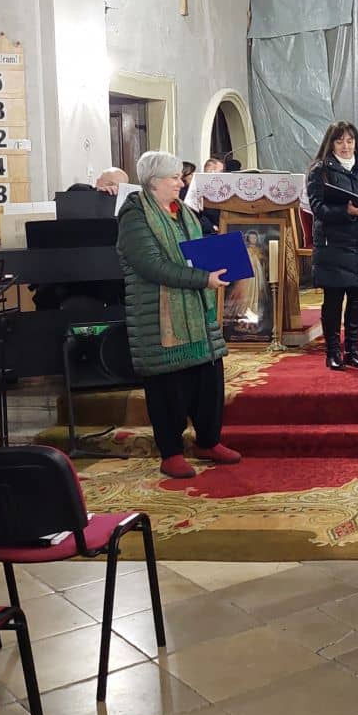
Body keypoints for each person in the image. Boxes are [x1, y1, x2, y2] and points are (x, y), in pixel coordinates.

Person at [116, 150, 242, 479]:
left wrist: (220, 255)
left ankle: (208, 441)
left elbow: (194, 251)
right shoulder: (134, 217)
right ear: (154, 181)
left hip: (196, 309)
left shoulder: (182, 211)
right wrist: (203, 278)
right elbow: (152, 266)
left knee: (207, 377)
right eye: (174, 177)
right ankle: (170, 452)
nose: (180, 183)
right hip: (159, 315)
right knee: (168, 385)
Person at [305, 121, 358, 371]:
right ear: (331, 144)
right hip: (334, 244)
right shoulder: (320, 170)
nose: (345, 146)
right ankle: (333, 352)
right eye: (339, 141)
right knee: (333, 300)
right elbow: (318, 208)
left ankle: (353, 350)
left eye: (350, 141)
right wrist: (347, 211)